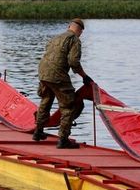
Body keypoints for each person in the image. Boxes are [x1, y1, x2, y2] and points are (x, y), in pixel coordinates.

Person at [32, 18, 94, 149]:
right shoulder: (74, 40)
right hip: (57, 74)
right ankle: (63, 140)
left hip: (43, 71)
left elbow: (47, 51)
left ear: (69, 26)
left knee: (46, 100)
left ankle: (38, 132)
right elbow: (73, 62)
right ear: (80, 31)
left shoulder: (57, 37)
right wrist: (84, 76)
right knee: (69, 106)